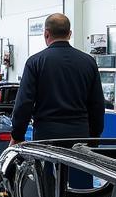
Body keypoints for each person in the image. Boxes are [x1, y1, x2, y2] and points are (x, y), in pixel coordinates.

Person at [10, 13, 105, 144]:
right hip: (80, 136)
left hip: (46, 137)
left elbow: (24, 104)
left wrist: (17, 135)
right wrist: (94, 136)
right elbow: (97, 104)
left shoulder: (35, 62)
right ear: (69, 34)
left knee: (48, 165)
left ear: (46, 34)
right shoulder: (88, 62)